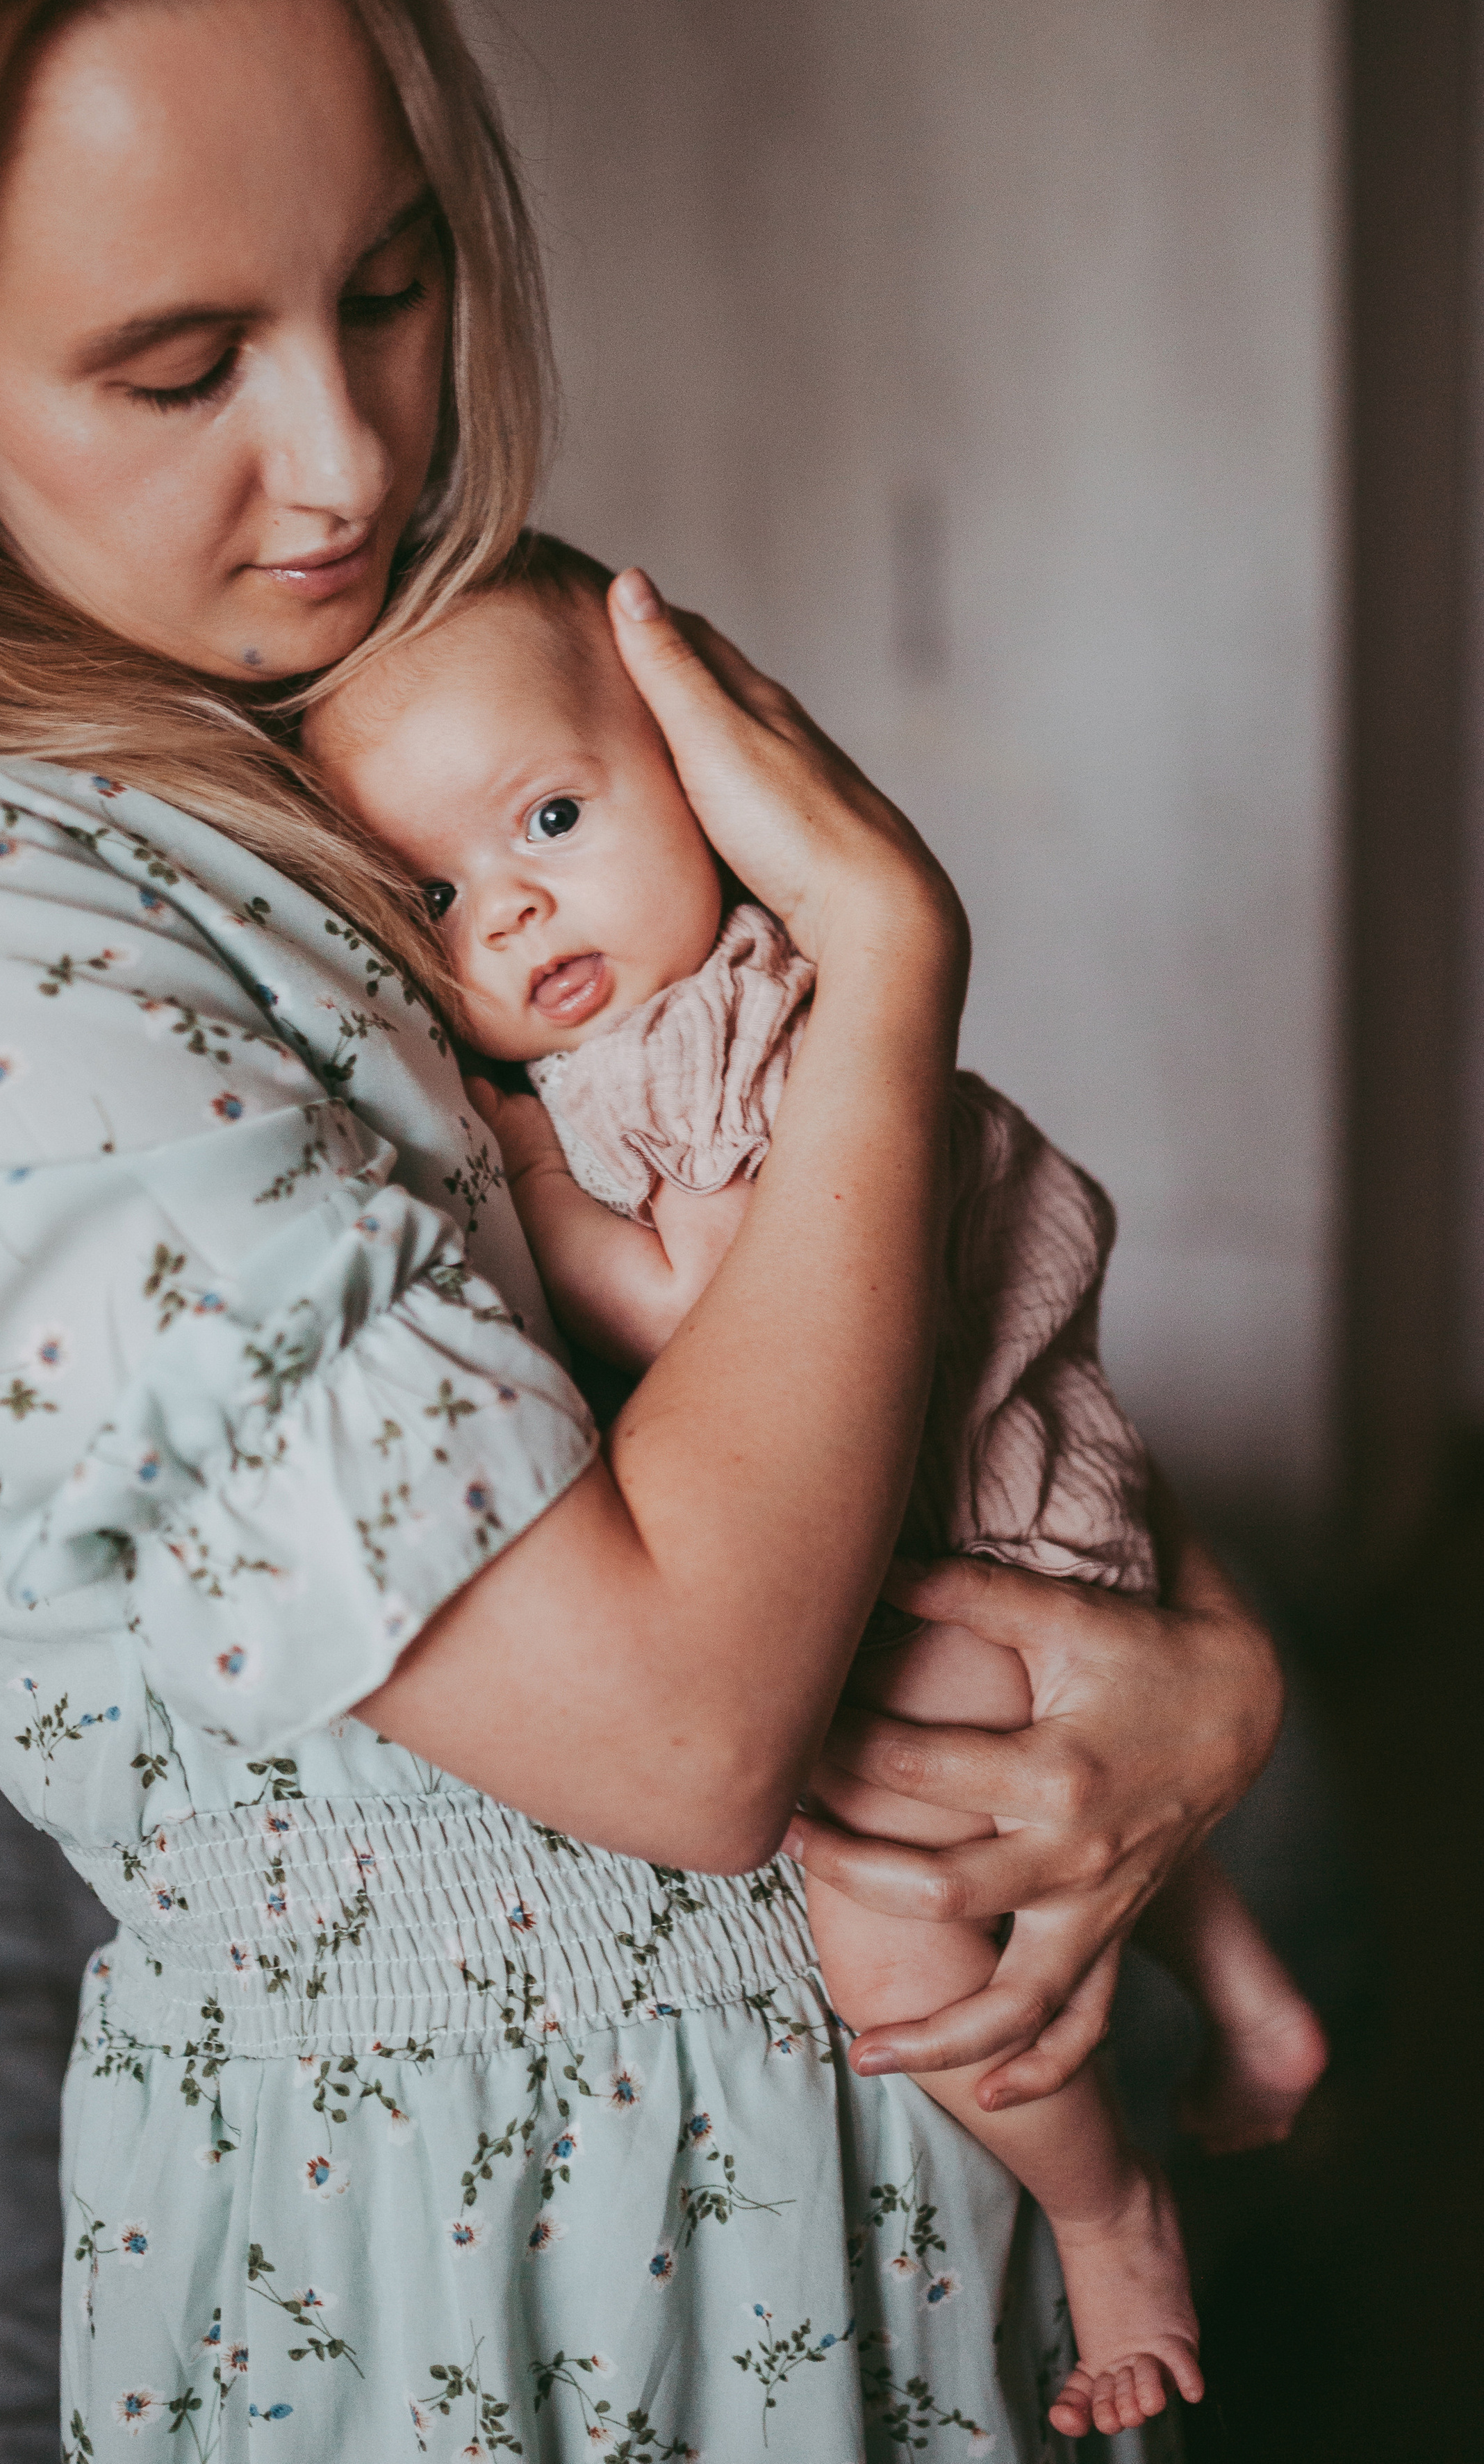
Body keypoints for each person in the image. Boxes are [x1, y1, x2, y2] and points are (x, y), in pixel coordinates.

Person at [0, 0, 1285, 2454]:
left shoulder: (332, 753)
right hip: (498, 2276)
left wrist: (1206, 1674)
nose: (344, 466)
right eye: (181, 367)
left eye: (395, 286)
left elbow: (895, 1311)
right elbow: (682, 1746)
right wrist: (888, 974)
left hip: (857, 2186)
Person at [306, 539, 1331, 2437]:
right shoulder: (771, 998)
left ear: (708, 783)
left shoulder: (679, 1061)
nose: (516, 913)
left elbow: (710, 1311)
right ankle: (1253, 1994)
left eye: (551, 815)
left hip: (944, 1543)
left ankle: (1110, 2216)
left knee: (884, 1896)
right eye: (435, 897)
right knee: (1076, 1796)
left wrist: (531, 1190)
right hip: (1040, 1508)